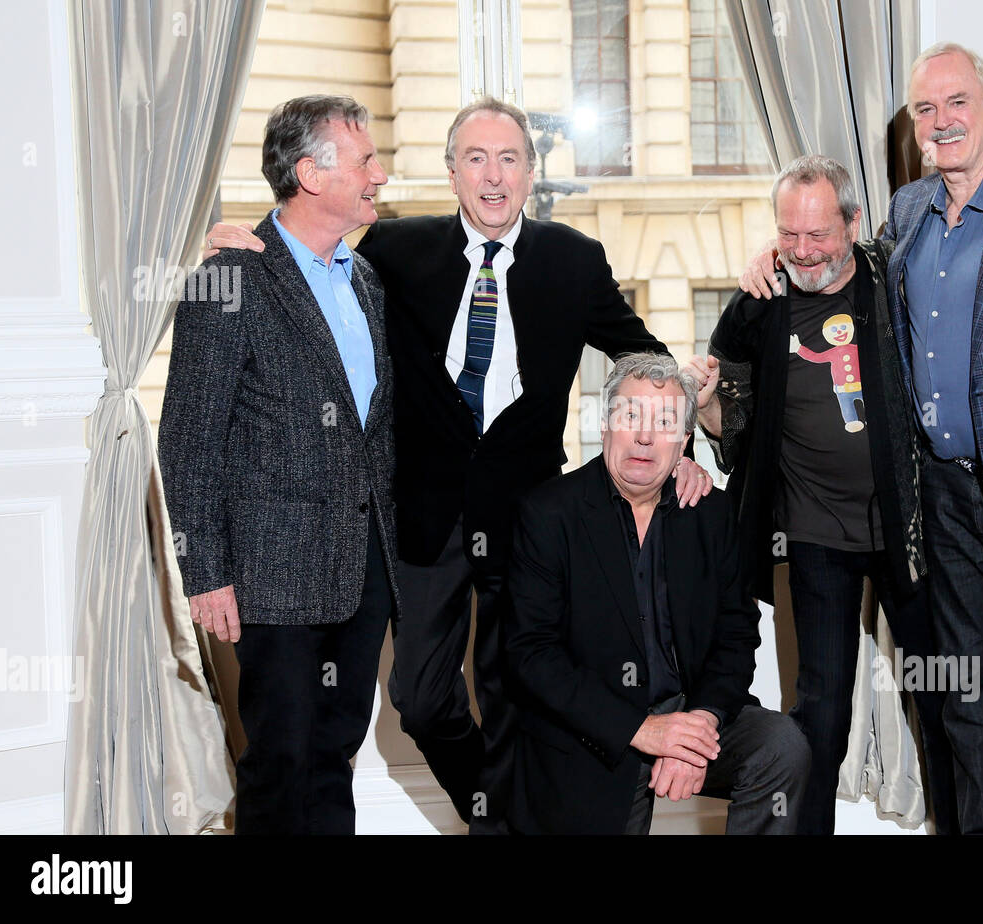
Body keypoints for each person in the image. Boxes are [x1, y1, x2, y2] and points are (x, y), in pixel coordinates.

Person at [203, 97, 712, 832]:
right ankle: (495, 809)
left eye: (510, 159)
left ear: (532, 172)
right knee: (421, 698)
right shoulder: (395, 250)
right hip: (422, 516)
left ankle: (504, 827)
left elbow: (644, 357)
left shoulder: (574, 259)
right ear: (451, 173)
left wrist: (683, 446)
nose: (494, 175)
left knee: (518, 694)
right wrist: (238, 240)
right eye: (476, 159)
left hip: (530, 518)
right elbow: (303, 250)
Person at [743, 43, 983, 834]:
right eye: (925, 109)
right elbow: (842, 267)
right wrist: (781, 258)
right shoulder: (911, 212)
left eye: (956, 102)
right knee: (965, 708)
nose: (941, 121)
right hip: (946, 502)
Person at [686, 155, 957, 835]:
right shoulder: (758, 304)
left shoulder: (895, 279)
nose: (804, 252)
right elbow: (733, 426)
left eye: (819, 235)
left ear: (853, 223)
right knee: (821, 709)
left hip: (910, 528)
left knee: (944, 700)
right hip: (813, 535)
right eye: (789, 235)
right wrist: (710, 404)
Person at [159, 95, 399, 834]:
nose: (379, 175)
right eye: (364, 161)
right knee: (281, 760)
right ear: (311, 175)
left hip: (363, 571)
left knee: (335, 755)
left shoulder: (364, 280)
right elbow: (187, 436)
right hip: (270, 576)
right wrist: (205, 573)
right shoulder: (227, 275)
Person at [504, 353, 810, 834]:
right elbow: (531, 657)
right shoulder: (548, 514)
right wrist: (645, 731)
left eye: (665, 421)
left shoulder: (710, 513)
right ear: (606, 425)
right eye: (631, 416)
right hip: (594, 729)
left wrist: (700, 724)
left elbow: (736, 637)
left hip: (689, 712)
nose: (646, 436)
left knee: (781, 744)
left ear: (684, 441)